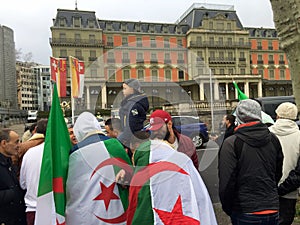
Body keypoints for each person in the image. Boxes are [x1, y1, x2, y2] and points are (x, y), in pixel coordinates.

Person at [125, 110, 217, 225]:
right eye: (153, 130)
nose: (156, 133)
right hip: (160, 196)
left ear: (169, 124)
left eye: (159, 128)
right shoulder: (149, 151)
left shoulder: (186, 143)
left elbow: (194, 171)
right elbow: (141, 174)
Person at [219, 99, 283, 225]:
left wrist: (228, 208)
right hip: (271, 207)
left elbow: (226, 182)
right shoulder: (273, 139)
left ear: (239, 117)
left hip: (244, 209)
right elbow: (277, 173)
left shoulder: (231, 143)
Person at [65, 112, 132, 225]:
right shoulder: (113, 145)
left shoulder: (73, 154)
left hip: (81, 216)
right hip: (114, 213)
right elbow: (129, 176)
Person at [269, 102, 300, 225]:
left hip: (267, 189)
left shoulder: (266, 133)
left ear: (277, 115)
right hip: (289, 191)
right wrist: (283, 188)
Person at [19, 119, 48, 225]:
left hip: (32, 208)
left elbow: (23, 184)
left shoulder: (29, 152)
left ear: (36, 130)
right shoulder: (62, 152)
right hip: (55, 209)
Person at [0, 128, 26, 225]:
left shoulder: (10, 163)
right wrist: (13, 192)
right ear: (4, 143)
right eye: (16, 142)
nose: (19, 145)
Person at [118, 79, 149, 149]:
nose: (123, 91)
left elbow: (132, 124)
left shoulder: (133, 104)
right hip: (131, 137)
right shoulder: (130, 102)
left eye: (125, 88)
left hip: (132, 139)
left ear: (132, 89)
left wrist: (121, 139)